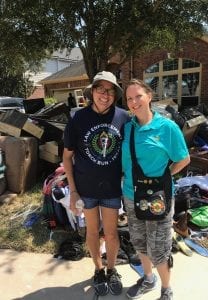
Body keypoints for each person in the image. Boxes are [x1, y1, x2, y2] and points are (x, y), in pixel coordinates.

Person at [63, 71, 130, 297]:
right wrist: (72, 191)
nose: (105, 94)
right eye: (100, 89)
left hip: (111, 188)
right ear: (92, 92)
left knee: (111, 234)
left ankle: (111, 270)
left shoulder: (123, 117)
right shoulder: (78, 119)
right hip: (85, 189)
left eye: (110, 90)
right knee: (92, 231)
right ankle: (98, 270)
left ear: (115, 94)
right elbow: (66, 157)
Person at [122, 79, 190, 300]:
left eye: (138, 96)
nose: (134, 102)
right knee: (140, 242)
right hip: (132, 197)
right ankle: (149, 279)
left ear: (149, 96)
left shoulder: (167, 128)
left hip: (159, 198)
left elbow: (183, 159)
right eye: (129, 98)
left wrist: (165, 176)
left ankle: (166, 289)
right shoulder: (127, 128)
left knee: (159, 248)